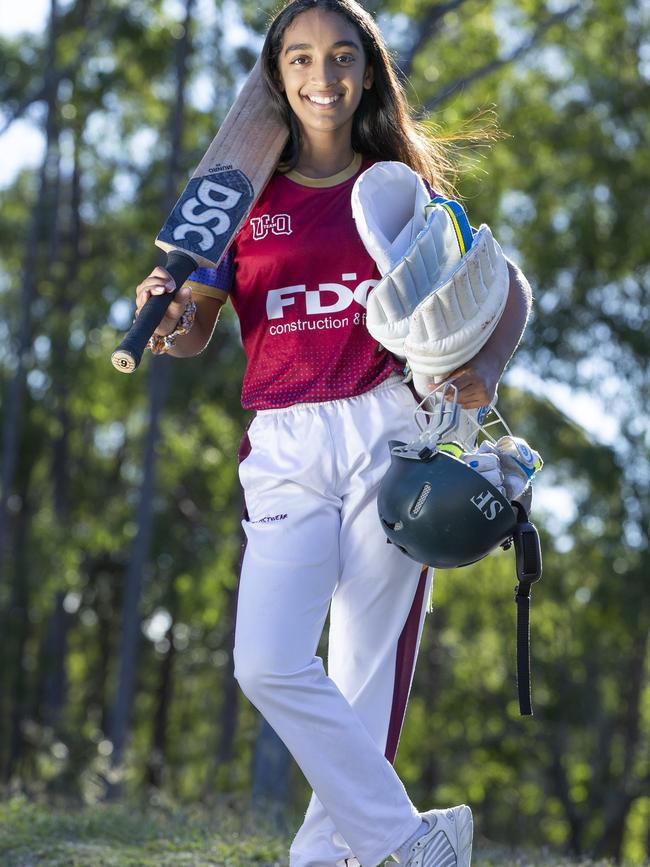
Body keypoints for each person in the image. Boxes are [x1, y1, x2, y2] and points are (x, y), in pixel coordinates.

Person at [134, 1, 532, 864]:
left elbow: (506, 281)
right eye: (303, 59)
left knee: (365, 671)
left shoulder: (397, 191)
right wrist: (166, 321)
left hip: (391, 429)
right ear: (277, 77)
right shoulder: (234, 203)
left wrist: (486, 369)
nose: (325, 77)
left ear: (367, 72)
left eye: (343, 56)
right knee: (267, 659)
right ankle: (409, 838)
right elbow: (199, 324)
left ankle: (329, 858)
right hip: (282, 441)